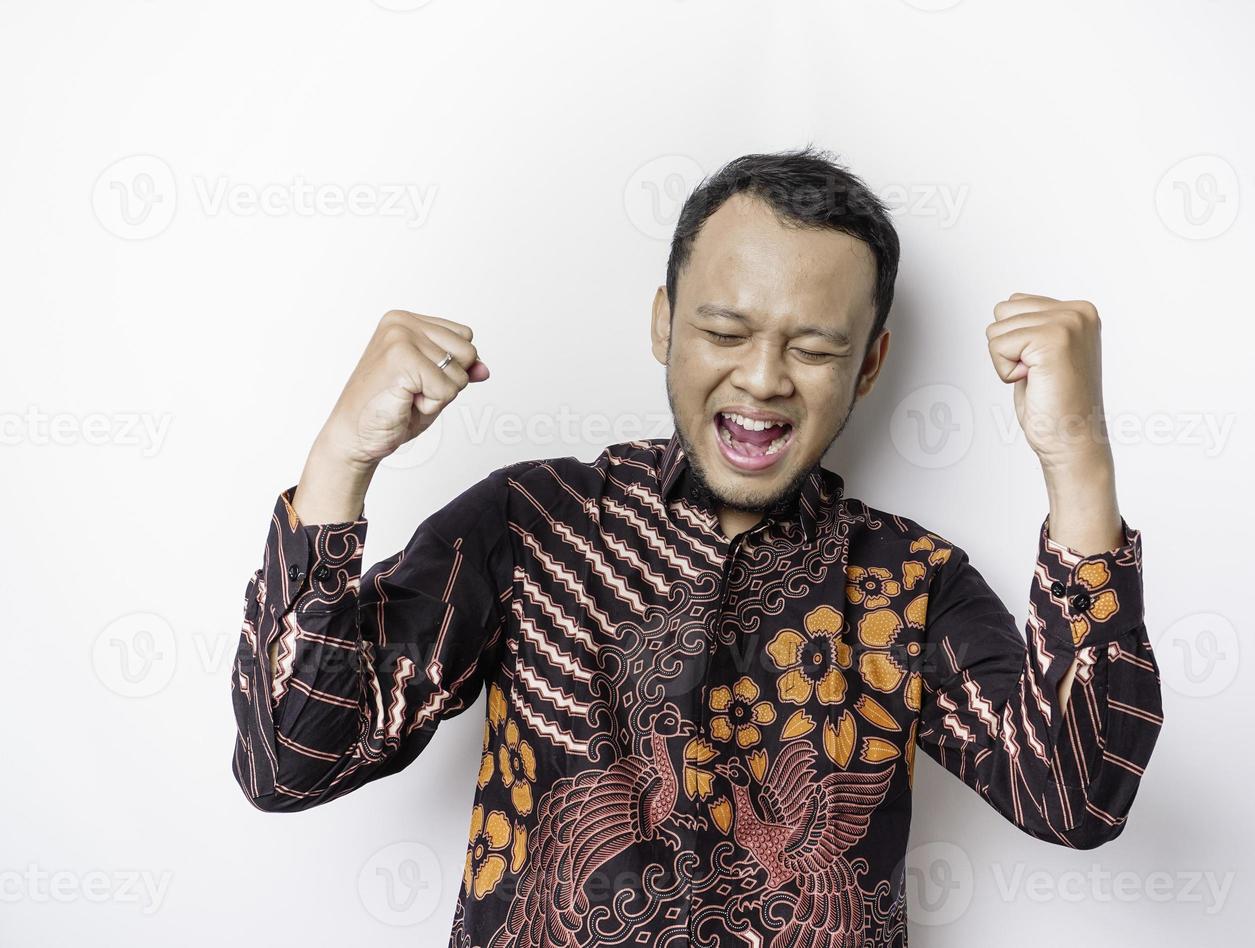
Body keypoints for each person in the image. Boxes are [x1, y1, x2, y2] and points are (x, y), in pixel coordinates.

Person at [230, 146, 1164, 948]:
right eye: (724, 330)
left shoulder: (914, 586)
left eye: (814, 349)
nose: (762, 379)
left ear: (870, 365)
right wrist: (340, 460)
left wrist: (1076, 454)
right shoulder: (530, 523)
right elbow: (289, 762)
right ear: (663, 324)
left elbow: (1075, 795)